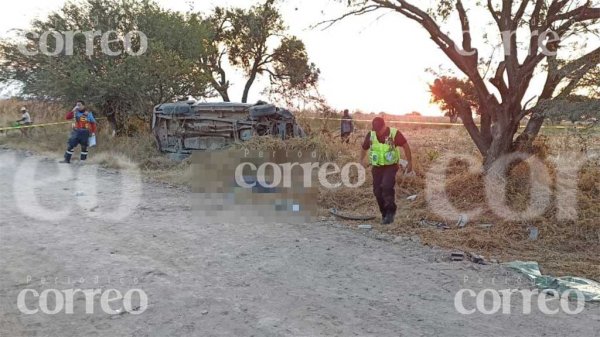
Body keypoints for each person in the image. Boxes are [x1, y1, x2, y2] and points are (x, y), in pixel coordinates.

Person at [360, 117, 412, 225]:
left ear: (384, 126)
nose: (378, 132)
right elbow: (364, 148)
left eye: (379, 129)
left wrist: (409, 162)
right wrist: (361, 161)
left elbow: (405, 146)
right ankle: (384, 214)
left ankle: (390, 213)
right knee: (377, 191)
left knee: (387, 186)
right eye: (376, 129)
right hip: (377, 167)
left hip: (391, 166)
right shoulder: (371, 134)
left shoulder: (394, 133)